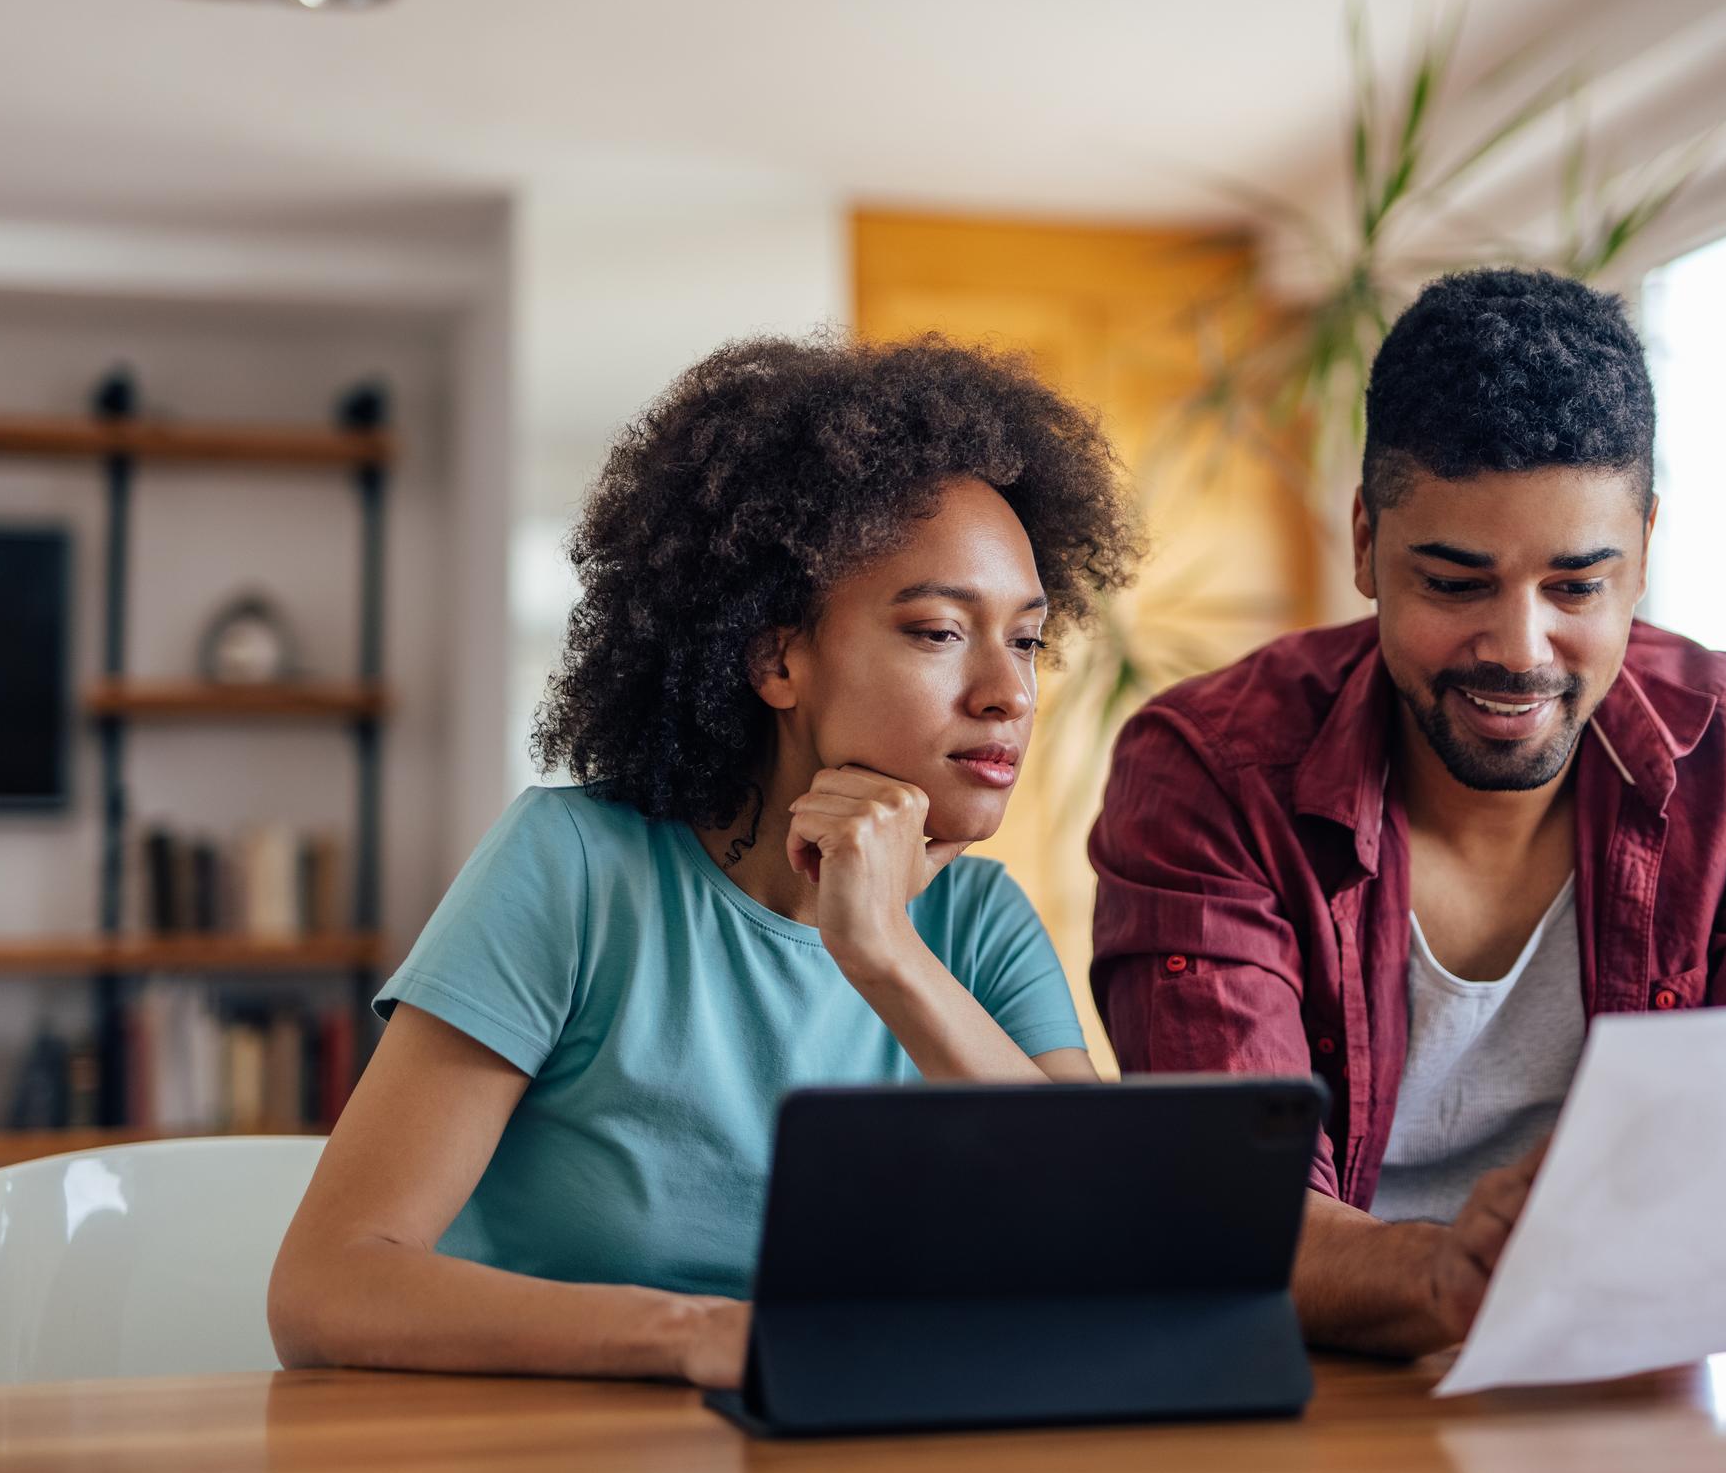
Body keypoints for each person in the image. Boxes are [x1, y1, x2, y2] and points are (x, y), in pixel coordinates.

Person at [1089, 267, 1726, 1358]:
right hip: (1331, 1398)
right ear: (1365, 542)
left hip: (1641, 1396)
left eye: (1576, 586)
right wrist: (1450, 1271)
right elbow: (1235, 1214)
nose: (1519, 649)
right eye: (1456, 583)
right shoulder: (1211, 770)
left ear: (1643, 548)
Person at [271, 334, 1138, 1388]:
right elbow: (329, 1284)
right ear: (778, 657)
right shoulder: (576, 870)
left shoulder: (980, 924)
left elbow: (1115, 1238)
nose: (1009, 691)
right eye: (938, 631)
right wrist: (699, 1335)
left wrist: (884, 953)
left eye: (1031, 640)